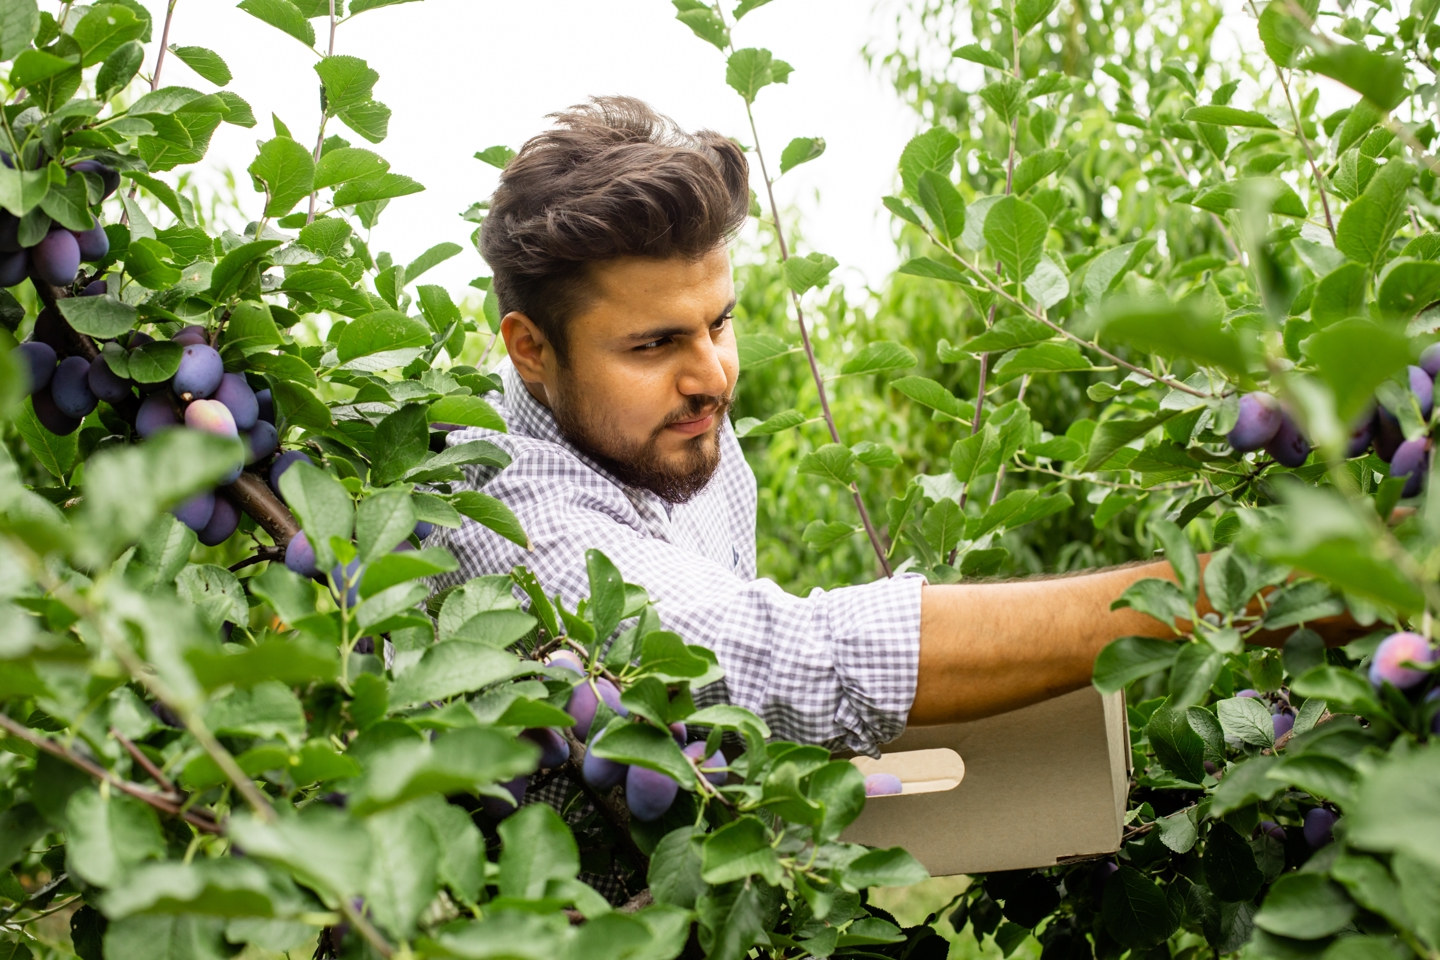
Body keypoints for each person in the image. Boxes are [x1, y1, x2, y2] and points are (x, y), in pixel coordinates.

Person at [430, 95, 1351, 758]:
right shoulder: (504, 514)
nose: (713, 376)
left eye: (720, 322)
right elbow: (793, 659)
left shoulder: (678, 424)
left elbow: (732, 705)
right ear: (531, 350)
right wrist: (1240, 592)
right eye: (654, 342)